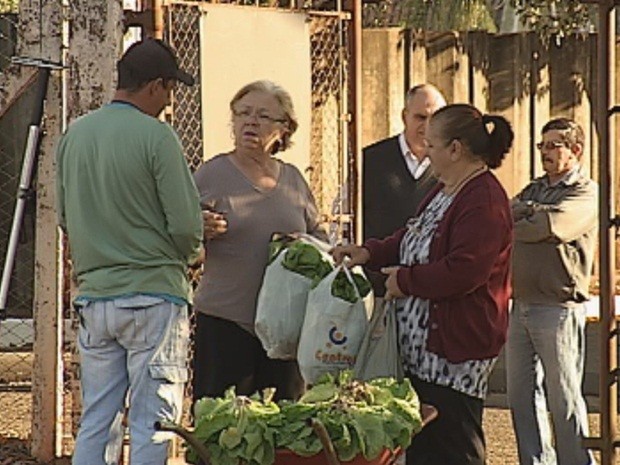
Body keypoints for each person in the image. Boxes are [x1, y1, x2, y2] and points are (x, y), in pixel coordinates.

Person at [333, 103, 514, 465]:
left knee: (451, 444)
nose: (425, 152)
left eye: (431, 145)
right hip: (422, 351)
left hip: (454, 350)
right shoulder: (445, 188)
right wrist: (370, 253)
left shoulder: (483, 198)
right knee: (423, 447)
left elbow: (466, 271)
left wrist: (405, 280)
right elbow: (412, 236)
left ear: (455, 149)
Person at [55, 38, 203, 465]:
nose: (170, 100)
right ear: (155, 86)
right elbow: (185, 225)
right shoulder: (157, 137)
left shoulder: (75, 135)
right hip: (154, 295)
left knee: (97, 419)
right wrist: (191, 253)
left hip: (95, 298)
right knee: (152, 422)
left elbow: (65, 216)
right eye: (170, 89)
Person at [192, 80, 326, 403]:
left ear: (283, 129)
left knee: (285, 429)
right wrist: (199, 229)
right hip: (226, 323)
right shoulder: (210, 174)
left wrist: (305, 244)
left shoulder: (293, 179)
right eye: (243, 113)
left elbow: (320, 237)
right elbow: (179, 237)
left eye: (264, 116)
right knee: (223, 432)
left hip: (285, 331)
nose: (250, 122)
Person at [506, 118, 598, 465]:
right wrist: (531, 211)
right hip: (521, 306)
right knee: (521, 397)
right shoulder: (535, 189)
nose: (545, 152)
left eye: (553, 145)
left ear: (575, 150)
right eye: (542, 145)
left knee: (564, 400)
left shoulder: (587, 191)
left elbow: (552, 227)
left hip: (558, 309)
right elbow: (506, 214)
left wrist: (530, 216)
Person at [363, 84, 446, 295]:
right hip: (377, 286)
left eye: (434, 119)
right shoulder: (370, 161)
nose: (427, 127)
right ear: (404, 116)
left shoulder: (450, 168)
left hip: (429, 288)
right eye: (420, 117)